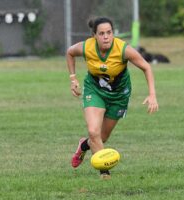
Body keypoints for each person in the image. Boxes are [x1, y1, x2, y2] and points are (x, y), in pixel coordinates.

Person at [66, 17, 159, 179]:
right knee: (93, 131)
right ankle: (104, 172)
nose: (106, 37)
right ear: (94, 35)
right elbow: (70, 53)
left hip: (119, 96)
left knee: (101, 137)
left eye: (109, 32)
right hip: (94, 90)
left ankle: (84, 144)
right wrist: (73, 79)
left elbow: (146, 67)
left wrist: (152, 94)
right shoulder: (87, 47)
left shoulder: (123, 49)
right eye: (101, 33)